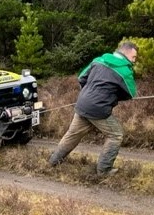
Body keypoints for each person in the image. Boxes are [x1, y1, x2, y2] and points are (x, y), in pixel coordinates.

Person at [49, 41, 138, 175]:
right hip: (99, 109)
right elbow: (130, 93)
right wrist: (112, 96)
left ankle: (53, 161)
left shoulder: (99, 60)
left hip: (82, 104)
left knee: (72, 134)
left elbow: (81, 78)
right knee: (116, 135)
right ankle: (104, 170)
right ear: (126, 54)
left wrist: (91, 92)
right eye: (133, 57)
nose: (134, 61)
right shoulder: (124, 71)